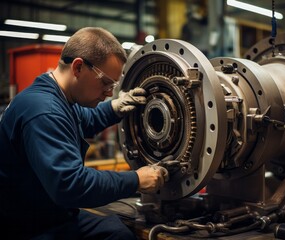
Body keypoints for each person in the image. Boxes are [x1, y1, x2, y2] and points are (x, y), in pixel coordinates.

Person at [0, 27, 167, 239]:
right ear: (78, 67)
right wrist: (136, 180)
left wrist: (115, 107)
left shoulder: (59, 98)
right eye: (106, 83)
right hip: (30, 227)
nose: (109, 92)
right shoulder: (43, 110)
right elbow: (70, 185)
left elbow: (86, 119)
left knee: (116, 229)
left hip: (49, 213)